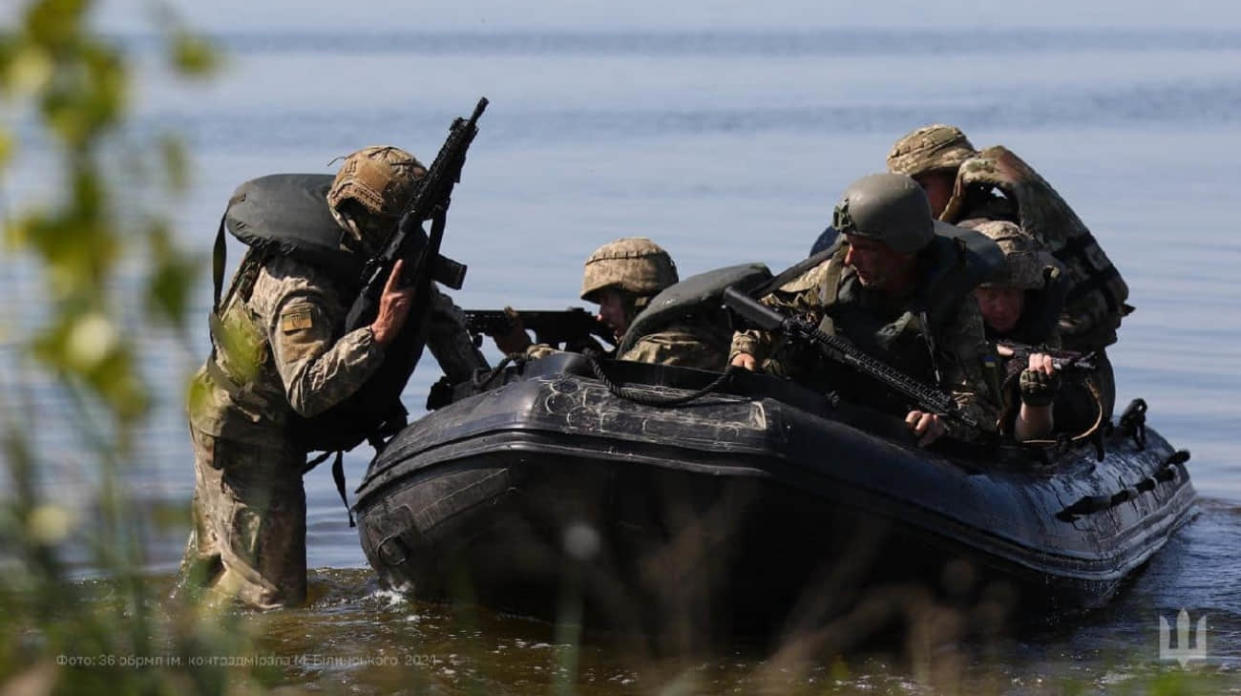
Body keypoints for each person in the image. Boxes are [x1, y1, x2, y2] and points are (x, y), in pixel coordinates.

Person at [180, 146, 486, 609]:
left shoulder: (376, 251)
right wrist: (378, 334)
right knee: (271, 601)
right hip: (244, 430)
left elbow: (434, 312)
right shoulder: (299, 288)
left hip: (246, 418)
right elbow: (305, 391)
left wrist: (480, 382)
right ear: (364, 214)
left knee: (216, 572)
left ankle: (177, 647)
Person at [731, 173, 1000, 447]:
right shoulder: (832, 278)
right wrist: (745, 350)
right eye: (849, 244)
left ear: (904, 249)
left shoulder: (950, 304)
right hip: (812, 412)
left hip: (891, 435)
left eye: (865, 248)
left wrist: (942, 422)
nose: (850, 257)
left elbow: (978, 404)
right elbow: (766, 314)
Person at [887, 124, 1127, 415]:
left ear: (955, 180)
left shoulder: (982, 238)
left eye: (922, 187)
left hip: (1058, 385)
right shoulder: (996, 215)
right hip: (1081, 375)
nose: (912, 200)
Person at [496, 237, 732, 370]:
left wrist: (525, 349)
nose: (600, 315)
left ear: (635, 298)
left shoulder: (675, 342)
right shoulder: (684, 334)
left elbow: (605, 382)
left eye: (606, 301)